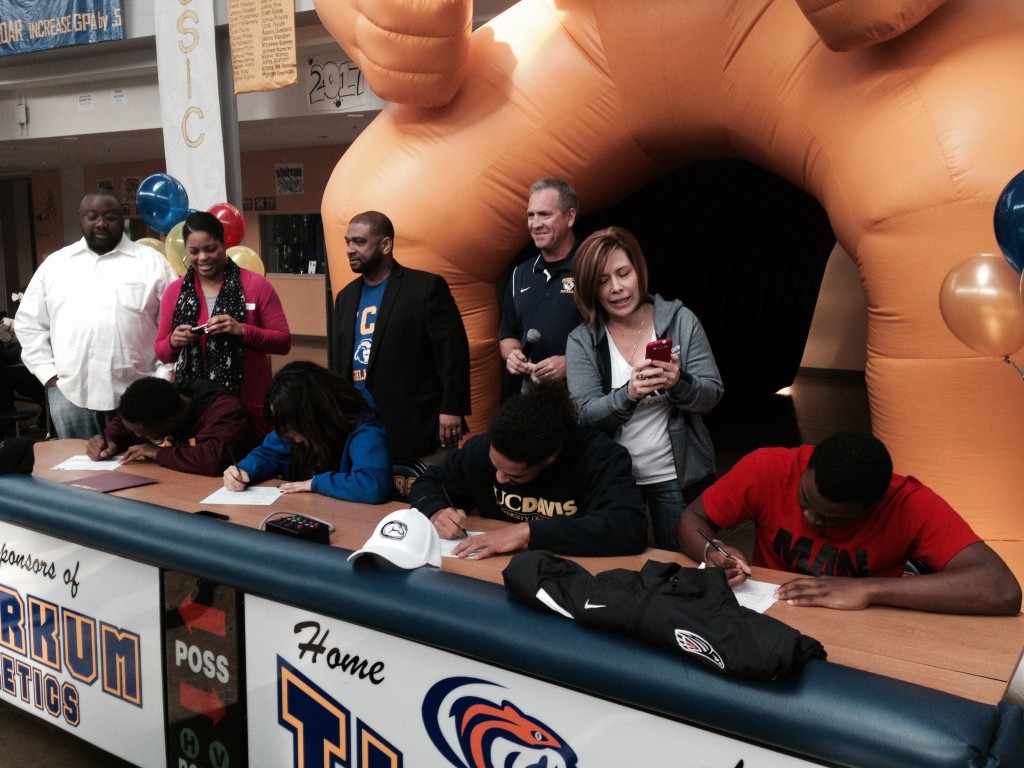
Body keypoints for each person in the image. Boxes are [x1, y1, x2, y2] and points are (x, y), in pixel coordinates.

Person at [676, 431, 1022, 616]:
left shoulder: (907, 503)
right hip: (771, 610)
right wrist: (712, 549)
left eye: (829, 518)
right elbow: (693, 518)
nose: (811, 518)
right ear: (808, 466)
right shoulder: (770, 467)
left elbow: (1002, 590)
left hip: (863, 625)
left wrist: (869, 588)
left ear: (872, 506)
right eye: (805, 500)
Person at [566, 227, 723, 550]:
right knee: (619, 565)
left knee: (682, 567)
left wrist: (679, 383)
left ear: (639, 270)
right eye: (602, 281)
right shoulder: (581, 340)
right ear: (589, 288)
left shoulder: (681, 321)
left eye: (624, 273)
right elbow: (585, 415)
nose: (617, 288)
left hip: (677, 476)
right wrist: (629, 393)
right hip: (615, 479)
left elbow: (711, 395)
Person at [409, 381, 648, 559]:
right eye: (495, 466)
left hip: (567, 576)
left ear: (549, 458)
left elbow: (628, 527)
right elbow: (429, 482)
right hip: (489, 570)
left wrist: (528, 532)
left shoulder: (599, 456)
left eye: (515, 475)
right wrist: (436, 510)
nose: (499, 477)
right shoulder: (482, 449)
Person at [15, 188, 175, 439]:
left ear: (121, 218)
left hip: (139, 399)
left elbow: (173, 326)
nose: (101, 224)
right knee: (78, 474)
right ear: (81, 219)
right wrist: (49, 377)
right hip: (70, 397)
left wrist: (163, 380)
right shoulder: (56, 265)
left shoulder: (152, 263)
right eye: (92, 216)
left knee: (144, 473)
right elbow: (28, 324)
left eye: (110, 217)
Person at [332, 210, 471, 460]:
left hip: (414, 422)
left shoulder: (425, 288)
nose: (350, 249)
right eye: (348, 242)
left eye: (359, 241)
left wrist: (452, 408)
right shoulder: (345, 297)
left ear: (386, 245)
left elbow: (453, 354)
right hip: (358, 422)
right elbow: (338, 359)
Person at [156, 211, 291, 436]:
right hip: (195, 407)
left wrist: (242, 330)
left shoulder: (255, 285)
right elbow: (162, 352)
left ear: (224, 244)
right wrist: (173, 341)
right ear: (186, 251)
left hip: (249, 404)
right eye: (194, 251)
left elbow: (283, 342)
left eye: (210, 249)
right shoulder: (175, 292)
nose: (203, 258)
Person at [222, 361, 391, 503]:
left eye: (290, 428)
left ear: (312, 415)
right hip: (314, 509)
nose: (290, 436)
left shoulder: (361, 423)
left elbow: (372, 485)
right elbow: (269, 454)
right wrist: (244, 471)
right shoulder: (295, 423)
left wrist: (315, 483)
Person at [499, 179, 584, 385]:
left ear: (570, 217)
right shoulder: (520, 273)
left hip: (587, 396)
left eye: (545, 214)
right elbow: (508, 336)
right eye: (531, 215)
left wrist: (571, 362)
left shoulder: (592, 264)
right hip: (534, 397)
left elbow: (622, 331)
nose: (535, 224)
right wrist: (514, 356)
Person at [86, 376, 257, 476]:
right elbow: (126, 423)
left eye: (141, 433)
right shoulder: (162, 400)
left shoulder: (225, 411)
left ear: (169, 422)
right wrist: (110, 438)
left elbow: (214, 459)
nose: (137, 436)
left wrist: (158, 452)